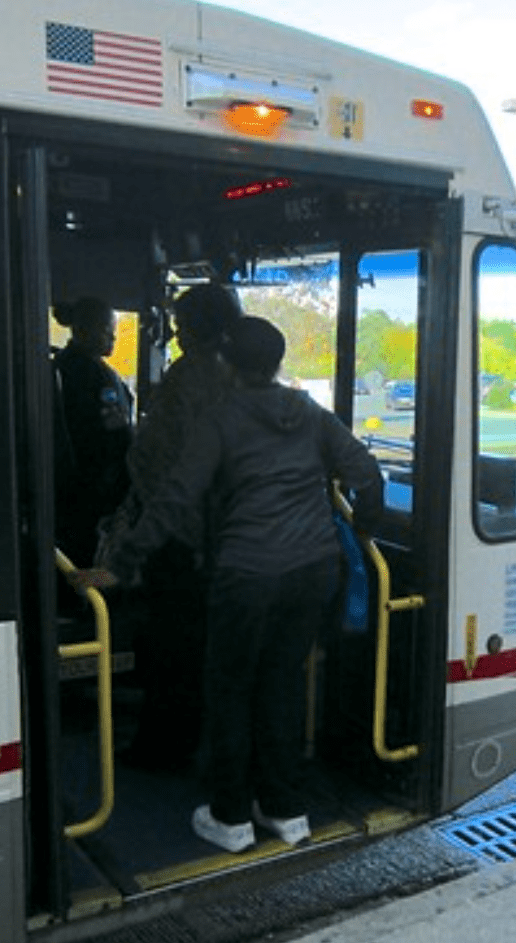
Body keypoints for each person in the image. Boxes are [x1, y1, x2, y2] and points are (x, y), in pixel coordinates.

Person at [72, 316, 384, 853]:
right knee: (283, 684)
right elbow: (366, 474)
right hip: (314, 572)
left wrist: (116, 565)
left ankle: (232, 816)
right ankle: (286, 810)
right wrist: (363, 533)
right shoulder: (308, 413)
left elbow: (174, 501)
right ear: (279, 362)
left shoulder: (220, 419)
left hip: (248, 576)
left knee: (231, 690)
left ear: (226, 362)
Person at [117, 283, 243, 767]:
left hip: (180, 539)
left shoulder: (189, 379)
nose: (174, 332)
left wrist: (142, 537)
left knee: (172, 646)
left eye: (180, 324)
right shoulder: (244, 382)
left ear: (198, 327)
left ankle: (165, 746)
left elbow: (165, 465)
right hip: (226, 542)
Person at [52, 297, 133, 567]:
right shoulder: (97, 375)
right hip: (95, 483)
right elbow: (116, 433)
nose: (113, 336)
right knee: (91, 553)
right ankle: (88, 603)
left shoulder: (59, 365)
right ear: (82, 330)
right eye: (106, 329)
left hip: (65, 483)